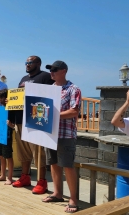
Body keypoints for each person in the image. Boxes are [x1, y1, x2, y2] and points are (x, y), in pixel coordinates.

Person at [41, 60, 81, 213]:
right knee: (53, 163)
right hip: (49, 133)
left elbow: (74, 111)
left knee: (68, 166)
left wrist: (51, 115)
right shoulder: (48, 89)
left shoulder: (73, 89)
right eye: (51, 70)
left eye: (55, 70)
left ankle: (73, 199)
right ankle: (57, 193)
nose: (51, 72)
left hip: (66, 134)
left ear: (64, 71)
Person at [11, 56, 54, 195]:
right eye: (26, 63)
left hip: (36, 119)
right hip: (20, 119)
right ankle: (25, 177)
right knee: (23, 152)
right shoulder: (23, 79)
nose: (27, 65)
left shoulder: (46, 77)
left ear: (38, 63)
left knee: (38, 152)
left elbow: (51, 95)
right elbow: (18, 98)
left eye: (30, 62)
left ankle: (42, 181)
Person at [0, 89, 15, 184]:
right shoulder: (0, 109)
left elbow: (15, 125)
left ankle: (9, 177)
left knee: (8, 157)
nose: (0, 100)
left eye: (2, 97)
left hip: (7, 136)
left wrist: (11, 125)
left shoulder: (12, 110)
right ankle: (3, 175)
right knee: (1, 156)